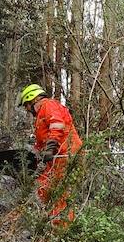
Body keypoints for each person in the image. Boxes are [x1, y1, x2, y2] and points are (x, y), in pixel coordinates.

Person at [19, 83, 82, 224]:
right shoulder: (41, 116)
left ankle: (61, 228)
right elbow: (42, 141)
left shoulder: (48, 105)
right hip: (57, 157)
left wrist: (50, 147)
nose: (27, 110)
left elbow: (57, 125)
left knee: (59, 191)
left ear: (32, 99)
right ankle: (48, 221)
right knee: (43, 186)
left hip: (66, 154)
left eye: (26, 106)